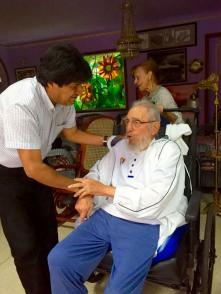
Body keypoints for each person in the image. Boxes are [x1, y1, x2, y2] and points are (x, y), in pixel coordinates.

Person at [0, 43, 114, 294]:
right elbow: (31, 168)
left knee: (49, 235)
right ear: (52, 83)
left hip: (37, 167)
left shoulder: (64, 102)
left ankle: (58, 287)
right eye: (74, 87)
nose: (79, 92)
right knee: (26, 246)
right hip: (8, 176)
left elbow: (72, 133)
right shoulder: (20, 102)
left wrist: (109, 141)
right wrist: (83, 186)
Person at [48, 100, 188, 294]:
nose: (128, 128)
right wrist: (87, 195)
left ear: (155, 127)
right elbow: (96, 173)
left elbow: (155, 199)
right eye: (127, 121)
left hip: (143, 223)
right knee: (60, 260)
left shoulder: (167, 151)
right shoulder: (121, 147)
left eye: (136, 122)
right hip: (106, 216)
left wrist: (105, 190)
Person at [132, 58, 183, 124]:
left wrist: (164, 111)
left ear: (149, 75)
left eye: (138, 78)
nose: (134, 82)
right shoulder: (145, 98)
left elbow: (178, 121)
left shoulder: (162, 93)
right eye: (134, 78)